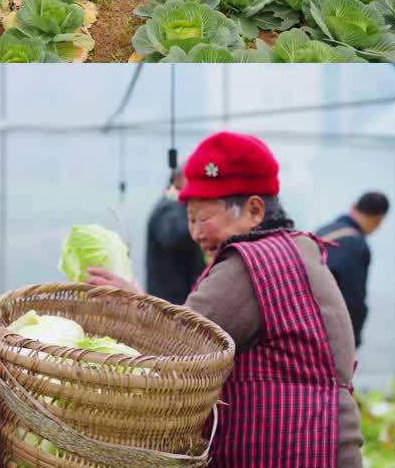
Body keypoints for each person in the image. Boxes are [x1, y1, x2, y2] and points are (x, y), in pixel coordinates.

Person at [87, 131, 363, 468]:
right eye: (190, 219)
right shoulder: (292, 249)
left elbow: (179, 346)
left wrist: (133, 307)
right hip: (323, 446)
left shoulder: (249, 265)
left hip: (297, 451)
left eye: (204, 218)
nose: (196, 233)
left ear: (255, 210)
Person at [315, 192, 390, 348]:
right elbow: (353, 299)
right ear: (379, 220)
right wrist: (352, 341)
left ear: (353, 207)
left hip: (302, 323)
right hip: (328, 334)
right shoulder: (356, 244)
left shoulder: (322, 231)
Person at [145, 167, 205, 305]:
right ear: (177, 180)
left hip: (177, 297)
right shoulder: (168, 207)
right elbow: (171, 237)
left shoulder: (177, 205)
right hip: (168, 299)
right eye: (192, 179)